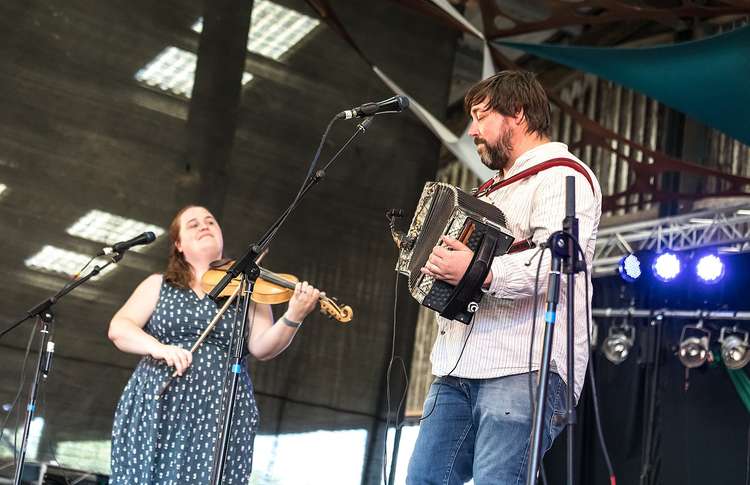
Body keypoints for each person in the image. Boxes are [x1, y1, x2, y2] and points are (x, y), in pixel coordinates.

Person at [406, 70, 602, 484]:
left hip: (523, 365)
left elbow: (561, 265)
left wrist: (481, 271)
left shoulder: (562, 176)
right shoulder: (491, 191)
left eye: (481, 116)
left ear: (517, 113)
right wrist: (435, 263)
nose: (473, 130)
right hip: (456, 367)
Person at [107, 205, 321, 485]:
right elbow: (119, 328)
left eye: (210, 221)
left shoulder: (248, 287)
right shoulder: (158, 285)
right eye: (193, 224)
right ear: (178, 244)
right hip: (159, 401)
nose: (204, 225)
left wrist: (294, 315)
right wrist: (160, 348)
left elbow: (262, 347)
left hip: (219, 409)